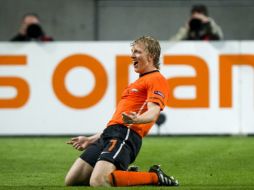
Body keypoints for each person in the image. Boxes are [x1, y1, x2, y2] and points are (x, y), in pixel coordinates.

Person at [65, 36, 179, 187]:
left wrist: (137, 120)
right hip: (109, 134)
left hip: (126, 135)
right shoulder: (135, 83)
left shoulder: (156, 79)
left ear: (151, 56)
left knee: (98, 181)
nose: (132, 55)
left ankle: (154, 177)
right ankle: (128, 176)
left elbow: (154, 111)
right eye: (132, 51)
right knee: (73, 180)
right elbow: (116, 122)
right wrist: (91, 139)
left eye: (137, 52)